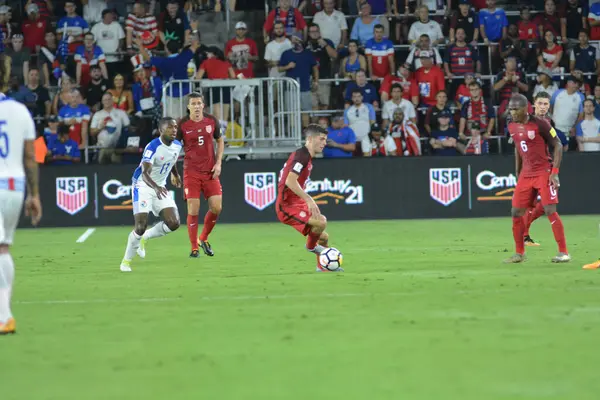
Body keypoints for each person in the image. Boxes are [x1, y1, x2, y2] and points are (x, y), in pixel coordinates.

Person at [0, 63, 43, 334]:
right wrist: (35, 195)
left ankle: (5, 316)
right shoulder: (20, 111)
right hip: (14, 187)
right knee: (3, 248)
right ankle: (5, 315)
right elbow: (31, 157)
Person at [505, 93, 570, 264]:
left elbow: (557, 144)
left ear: (525, 108)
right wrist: (518, 173)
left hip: (543, 171)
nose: (512, 112)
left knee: (549, 209)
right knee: (516, 212)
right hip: (526, 174)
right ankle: (519, 253)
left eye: (515, 109)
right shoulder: (511, 126)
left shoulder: (540, 123)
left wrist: (554, 172)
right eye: (510, 109)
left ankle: (563, 252)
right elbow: (518, 148)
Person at [276, 124, 342, 272]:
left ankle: (322, 267)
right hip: (286, 206)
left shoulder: (306, 157)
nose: (324, 143)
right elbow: (290, 181)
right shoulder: (302, 156)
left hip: (296, 203)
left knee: (323, 237)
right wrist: (309, 199)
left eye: (326, 139)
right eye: (322, 139)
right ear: (310, 139)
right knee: (321, 222)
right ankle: (311, 247)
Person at [120, 118, 182, 272]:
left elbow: (172, 159)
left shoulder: (177, 145)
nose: (174, 130)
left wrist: (175, 174)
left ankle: (146, 238)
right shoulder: (152, 147)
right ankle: (126, 262)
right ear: (161, 130)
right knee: (140, 226)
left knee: (174, 223)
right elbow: (145, 173)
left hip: (159, 186)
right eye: (170, 128)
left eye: (175, 127)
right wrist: (155, 187)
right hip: (143, 185)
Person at [177, 92, 224, 258]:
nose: (197, 106)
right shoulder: (182, 125)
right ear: (188, 106)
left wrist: (218, 163)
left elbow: (219, 140)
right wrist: (173, 171)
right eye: (193, 104)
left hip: (210, 171)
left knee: (217, 207)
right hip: (191, 172)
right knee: (193, 208)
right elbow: (174, 148)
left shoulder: (211, 121)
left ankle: (203, 238)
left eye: (199, 103)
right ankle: (193, 247)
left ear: (203, 105)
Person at [522, 92, 553, 247]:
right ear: (534, 104)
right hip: (529, 169)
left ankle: (523, 231)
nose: (542, 107)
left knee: (543, 206)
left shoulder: (549, 122)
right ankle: (525, 236)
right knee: (531, 204)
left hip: (545, 168)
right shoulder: (526, 121)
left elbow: (553, 142)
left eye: (546, 104)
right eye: (540, 103)